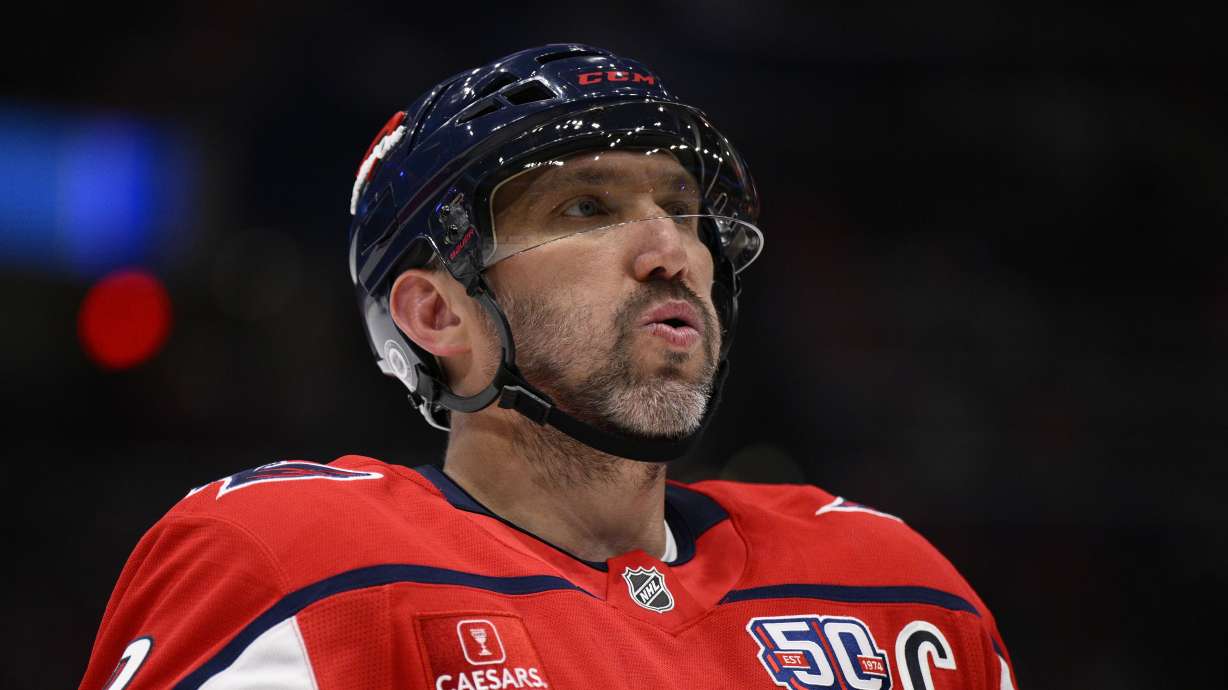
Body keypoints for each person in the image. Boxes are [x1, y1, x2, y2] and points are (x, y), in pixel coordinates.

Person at [80, 44, 1018, 690]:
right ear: (437, 312)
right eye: (586, 208)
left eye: (683, 209)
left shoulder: (888, 588)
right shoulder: (298, 568)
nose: (672, 252)